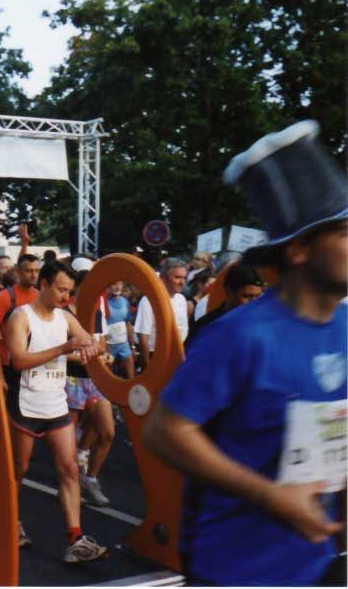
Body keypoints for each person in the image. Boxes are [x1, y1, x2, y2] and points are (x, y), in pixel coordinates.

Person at [145, 120, 347, 585]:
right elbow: (164, 432)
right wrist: (271, 496)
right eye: (345, 232)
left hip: (315, 563)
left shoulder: (345, 326)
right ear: (299, 249)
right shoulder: (240, 336)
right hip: (232, 569)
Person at [7, 260, 107, 562]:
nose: (66, 296)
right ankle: (11, 523)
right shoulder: (20, 317)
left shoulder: (64, 317)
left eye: (70, 291)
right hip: (25, 405)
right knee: (18, 471)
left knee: (69, 469)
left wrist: (92, 347)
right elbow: (19, 361)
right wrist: (65, 349)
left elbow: (91, 342)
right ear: (45, 284)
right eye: (62, 289)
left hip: (56, 404)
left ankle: (76, 539)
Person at [63, 267, 114, 507]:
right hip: (70, 380)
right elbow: (60, 353)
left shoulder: (97, 313)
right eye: (88, 288)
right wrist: (91, 355)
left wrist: (104, 355)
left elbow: (102, 344)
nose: (95, 294)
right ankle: (67, 484)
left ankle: (90, 479)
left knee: (107, 431)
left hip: (96, 378)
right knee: (66, 441)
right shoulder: (63, 314)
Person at [0, 254, 41, 392]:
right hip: (8, 365)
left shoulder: (40, 296)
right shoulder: (3, 297)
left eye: (37, 271)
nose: (33, 275)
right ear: (18, 272)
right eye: (29, 271)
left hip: (34, 361)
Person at [186, 263, 264, 347]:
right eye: (246, 296)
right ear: (229, 292)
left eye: (257, 296)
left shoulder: (263, 326)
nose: (253, 302)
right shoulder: (208, 327)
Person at [133, 258, 189, 370]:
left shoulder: (182, 299)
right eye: (177, 277)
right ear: (164, 279)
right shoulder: (148, 300)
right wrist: (148, 366)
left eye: (184, 278)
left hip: (177, 355)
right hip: (155, 356)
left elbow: (183, 329)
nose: (182, 282)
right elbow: (143, 336)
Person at [104, 281, 135, 379]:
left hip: (124, 346)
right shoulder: (102, 301)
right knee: (109, 380)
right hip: (109, 347)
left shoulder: (125, 302)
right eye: (114, 283)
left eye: (120, 284)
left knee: (131, 379)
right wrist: (105, 347)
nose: (117, 287)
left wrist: (133, 346)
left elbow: (128, 324)